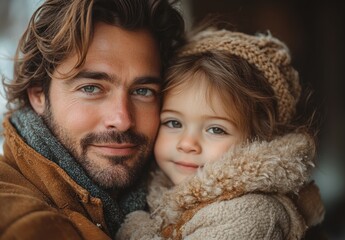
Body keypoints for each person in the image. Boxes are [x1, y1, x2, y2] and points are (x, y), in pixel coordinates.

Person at [0, 0, 184, 239]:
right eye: (91, 88)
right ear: (38, 95)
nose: (122, 119)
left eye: (143, 91)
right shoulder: (14, 210)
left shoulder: (179, 188)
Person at [117, 28, 325, 239]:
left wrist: (135, 227)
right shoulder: (158, 188)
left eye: (216, 129)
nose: (187, 143)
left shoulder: (251, 213)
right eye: (173, 122)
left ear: (260, 139)